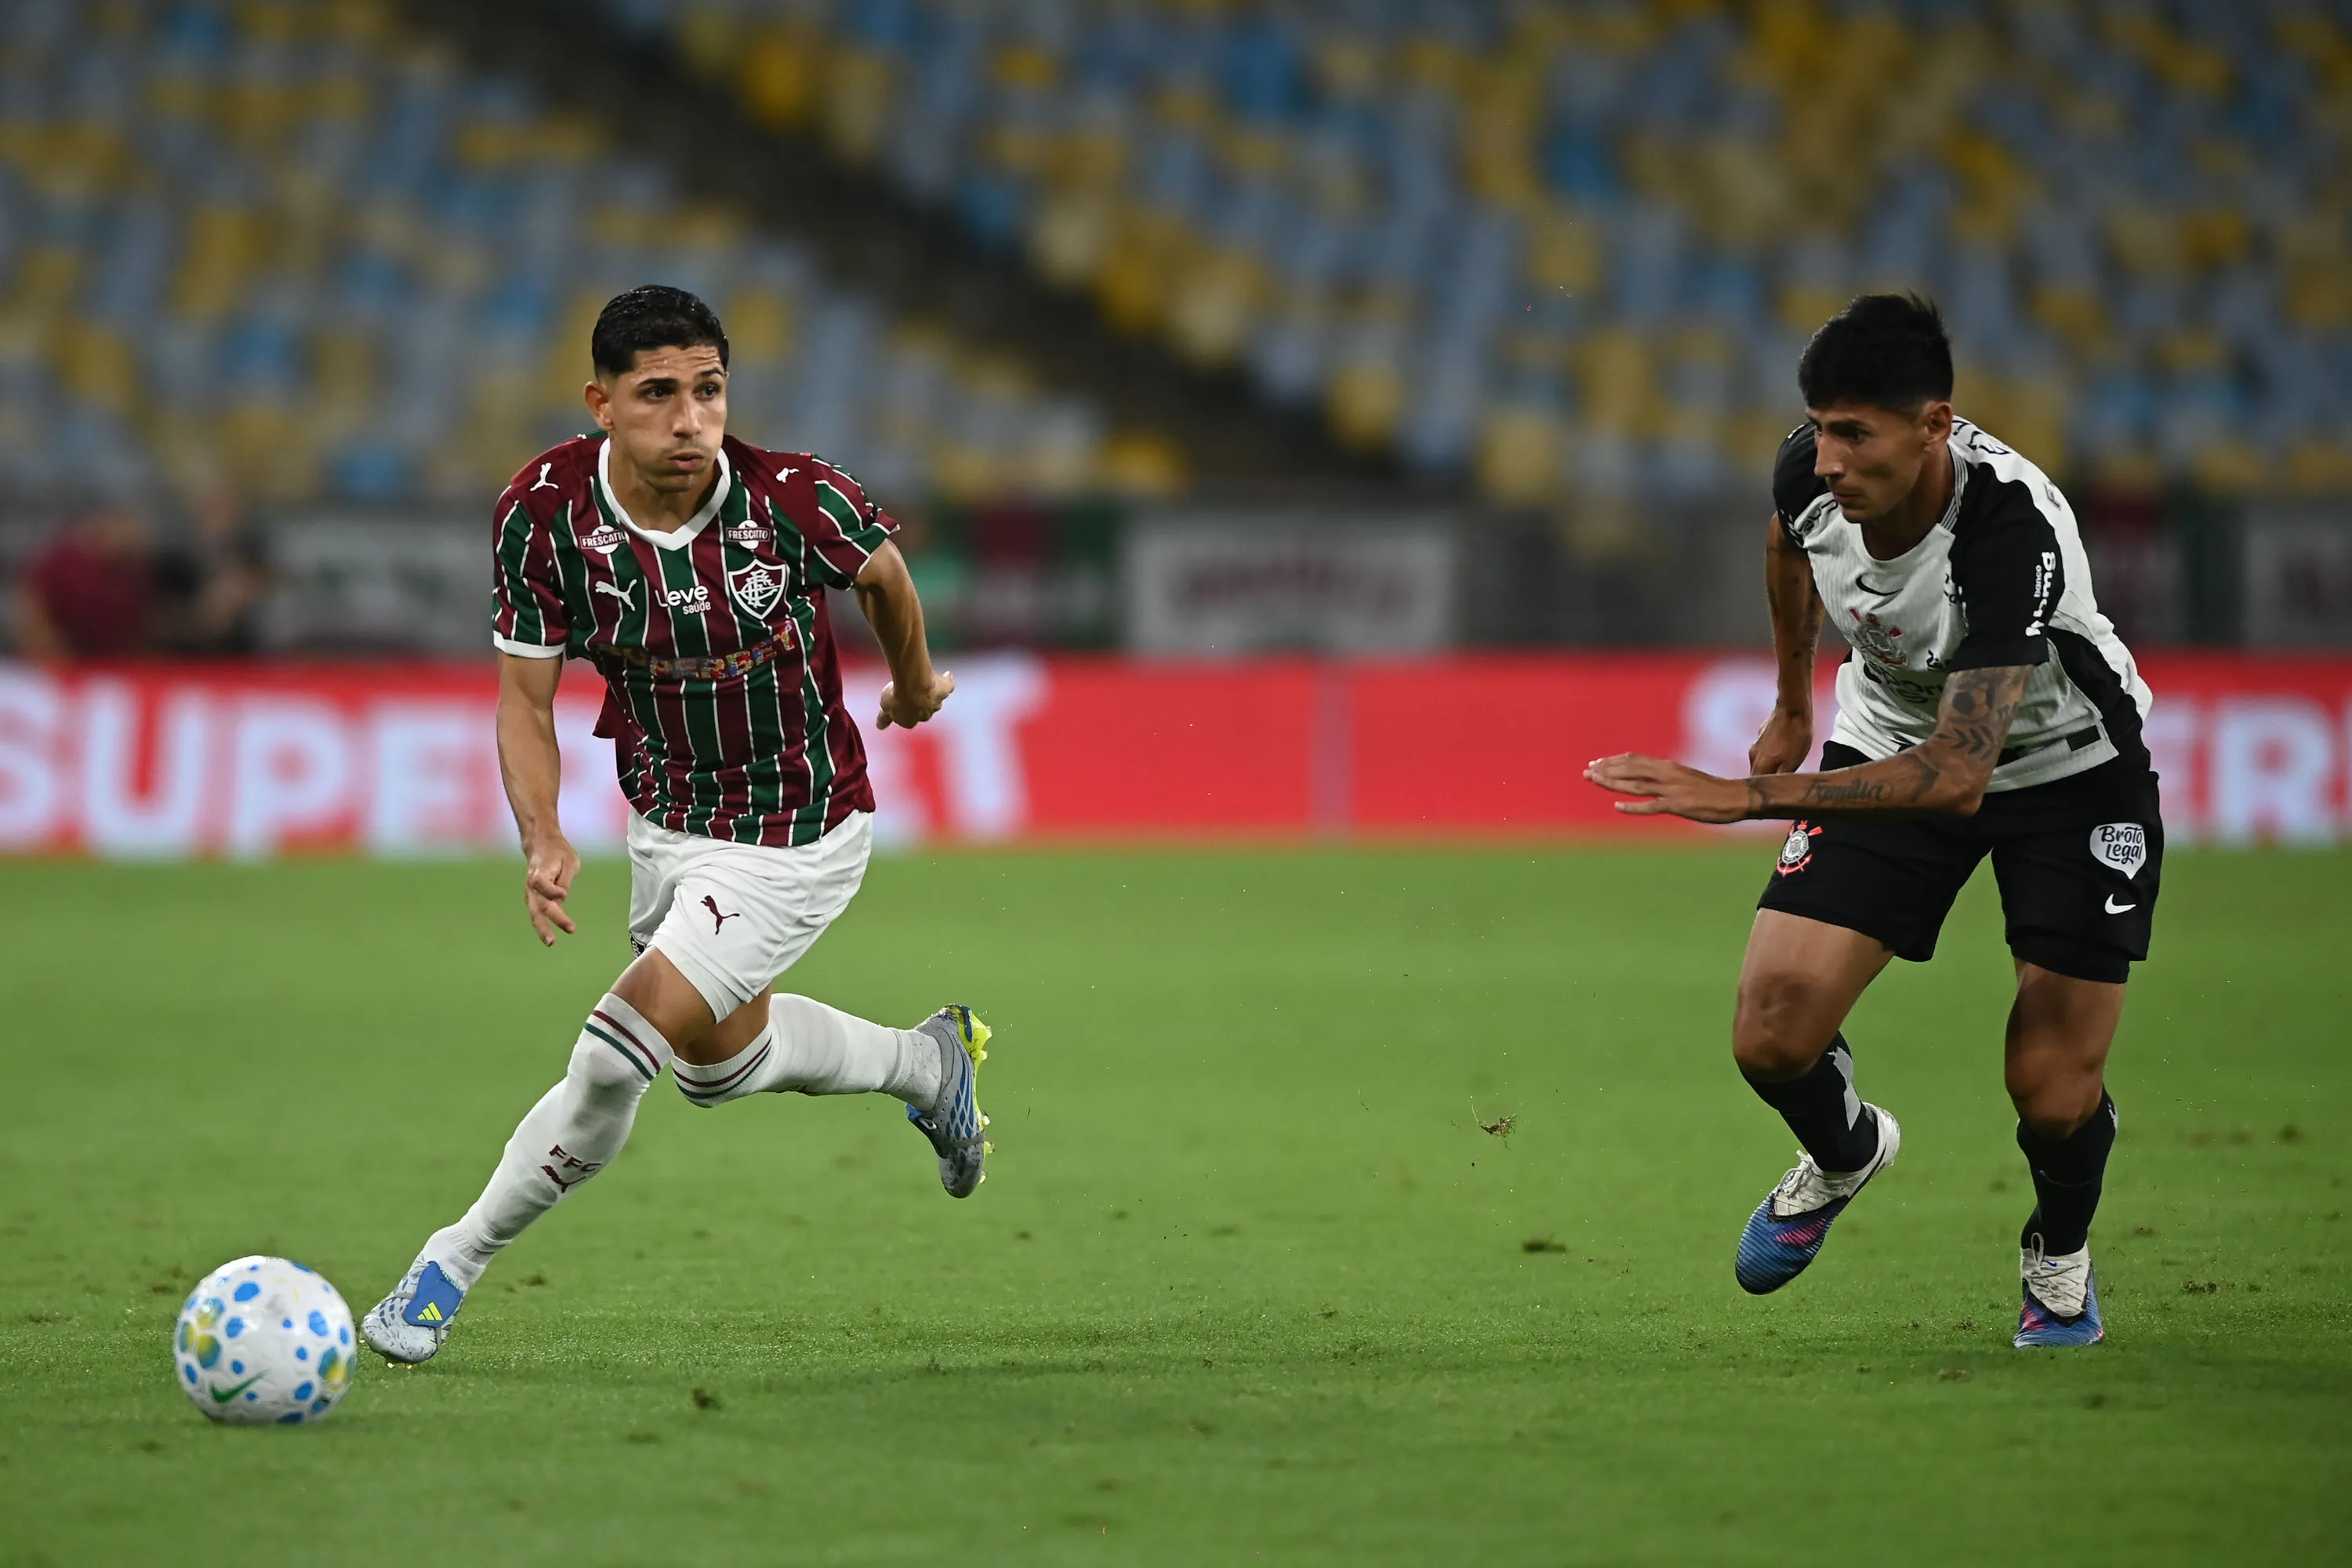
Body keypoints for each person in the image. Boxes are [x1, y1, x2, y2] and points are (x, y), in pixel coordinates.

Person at [361, 285, 989, 1365]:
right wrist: (543, 833)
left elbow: (882, 574)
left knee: (616, 1052)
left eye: (708, 390)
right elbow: (523, 697)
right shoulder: (545, 513)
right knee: (714, 1066)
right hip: (669, 827)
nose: (691, 418)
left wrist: (916, 679)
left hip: (797, 829)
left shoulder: (790, 500)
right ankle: (927, 1066)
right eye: (659, 394)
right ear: (602, 403)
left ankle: (444, 1269)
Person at [1585, 294, 2158, 1349]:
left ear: (1935, 425)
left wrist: (1749, 796)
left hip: (2069, 773)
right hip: (1893, 733)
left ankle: (2058, 1257)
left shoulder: (2008, 530)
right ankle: (1847, 1151)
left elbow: (1955, 777)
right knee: (1770, 1032)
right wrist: (1793, 703)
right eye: (1820, 426)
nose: (1827, 456)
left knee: (2050, 1087)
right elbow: (1785, 546)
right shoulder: (1807, 471)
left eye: (1855, 433)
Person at [13, 506, 155, 659]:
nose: (130, 545)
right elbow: (34, 610)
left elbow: (138, 628)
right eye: (125, 537)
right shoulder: (63, 562)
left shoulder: (133, 572)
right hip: (61, 658)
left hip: (111, 663)